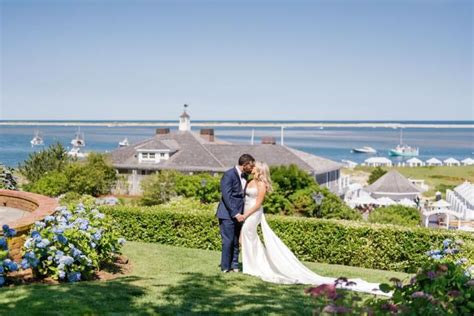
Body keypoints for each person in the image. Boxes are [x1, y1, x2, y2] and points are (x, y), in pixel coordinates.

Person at [240, 161, 389, 296]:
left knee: (248, 235)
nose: (252, 168)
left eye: (254, 167)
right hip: (246, 212)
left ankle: (253, 266)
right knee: (250, 238)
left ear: (259, 170)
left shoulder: (261, 185)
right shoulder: (250, 181)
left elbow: (258, 203)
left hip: (253, 214)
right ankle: (252, 264)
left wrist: (245, 215)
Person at [216, 154, 255, 273]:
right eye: (251, 165)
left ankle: (235, 265)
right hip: (227, 214)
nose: (252, 168)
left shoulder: (246, 176)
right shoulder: (229, 175)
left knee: (236, 240)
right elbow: (227, 196)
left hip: (240, 215)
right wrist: (235, 213)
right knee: (228, 241)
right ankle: (225, 267)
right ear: (245, 164)